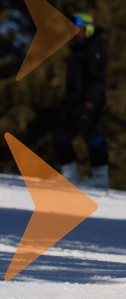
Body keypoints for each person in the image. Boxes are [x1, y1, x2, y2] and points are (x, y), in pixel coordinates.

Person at [54, 12, 109, 188]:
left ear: (87, 29)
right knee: (61, 136)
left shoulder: (94, 49)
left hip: (88, 102)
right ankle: (70, 177)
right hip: (74, 102)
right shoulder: (77, 51)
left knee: (92, 134)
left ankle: (100, 179)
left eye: (76, 28)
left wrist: (91, 100)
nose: (72, 32)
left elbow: (97, 77)